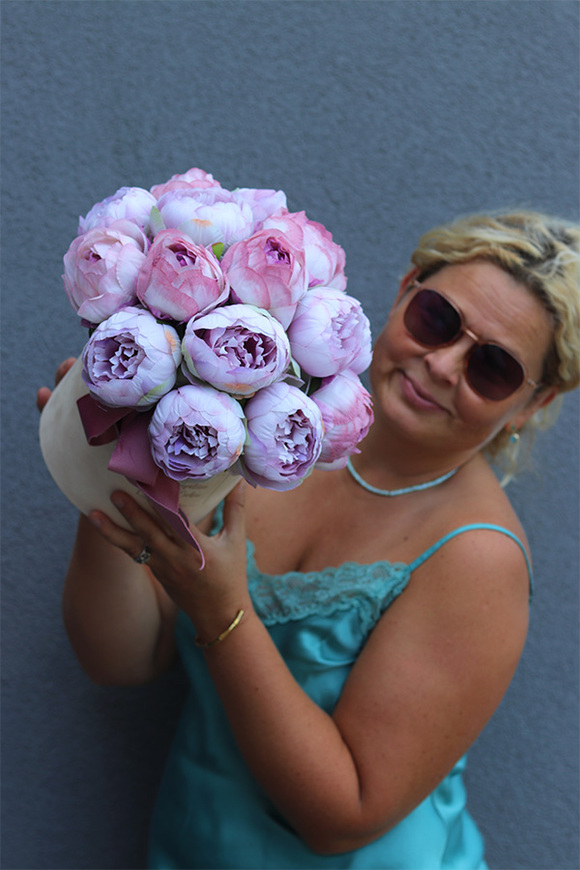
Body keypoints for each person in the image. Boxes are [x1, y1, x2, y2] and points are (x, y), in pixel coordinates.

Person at [38, 210, 579, 869]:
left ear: (530, 405)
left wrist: (222, 613)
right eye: (437, 319)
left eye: (491, 368)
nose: (442, 364)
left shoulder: (478, 557)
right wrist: (107, 472)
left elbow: (344, 816)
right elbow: (123, 659)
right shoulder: (263, 422)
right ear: (407, 289)